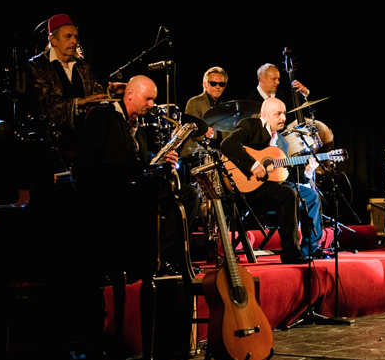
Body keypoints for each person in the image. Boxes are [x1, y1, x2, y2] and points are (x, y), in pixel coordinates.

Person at [74, 75, 197, 274]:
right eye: (147, 98)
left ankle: (169, 258)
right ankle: (158, 260)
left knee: (188, 194)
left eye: (153, 99)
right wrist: (137, 169)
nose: (152, 104)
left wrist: (161, 162)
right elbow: (84, 166)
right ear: (130, 94)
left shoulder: (137, 127)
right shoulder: (103, 116)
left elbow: (139, 161)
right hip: (112, 192)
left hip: (135, 189)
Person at [220, 97, 324, 264]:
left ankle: (310, 248)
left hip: (275, 185)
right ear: (265, 115)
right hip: (249, 186)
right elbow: (228, 144)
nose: (283, 118)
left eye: (284, 113)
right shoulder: (251, 126)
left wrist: (308, 172)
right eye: (278, 114)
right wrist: (253, 165)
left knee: (311, 195)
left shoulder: (282, 142)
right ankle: (290, 252)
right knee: (288, 194)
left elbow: (283, 174)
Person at [27, 14, 122, 146]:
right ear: (53, 39)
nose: (74, 41)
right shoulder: (37, 65)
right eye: (68, 36)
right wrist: (79, 103)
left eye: (76, 37)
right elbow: (45, 103)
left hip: (86, 135)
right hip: (52, 139)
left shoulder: (82, 66)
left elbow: (94, 92)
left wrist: (111, 92)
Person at [182, 66, 227, 155]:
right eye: (213, 83)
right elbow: (192, 131)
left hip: (219, 153)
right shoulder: (194, 102)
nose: (217, 87)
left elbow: (227, 135)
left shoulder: (225, 107)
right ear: (206, 84)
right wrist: (204, 132)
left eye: (221, 84)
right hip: (197, 152)